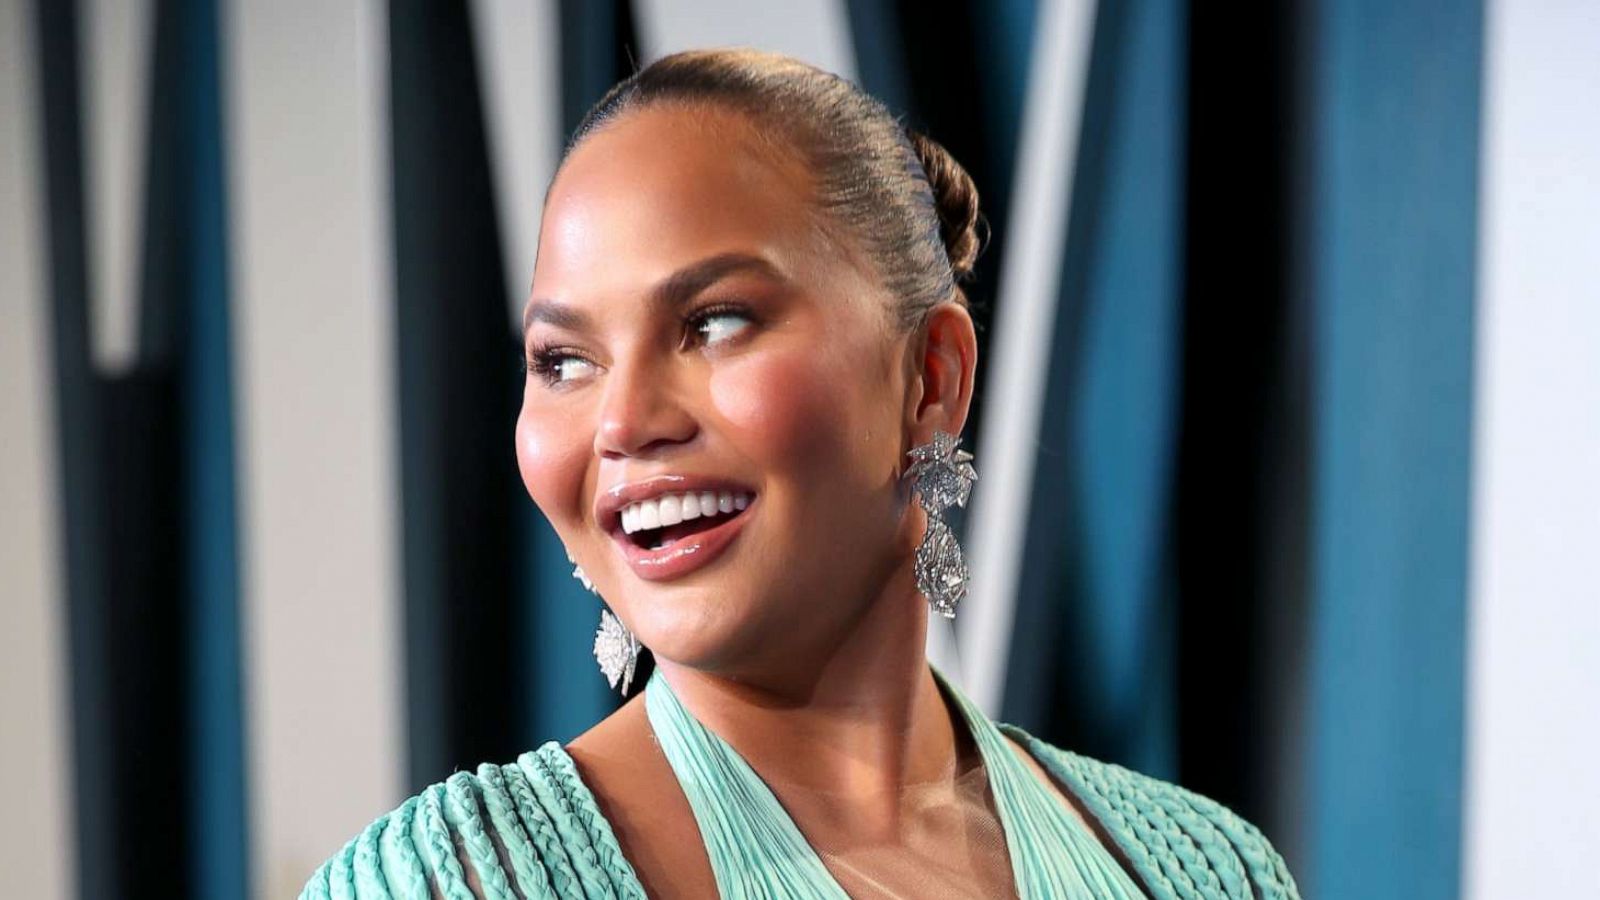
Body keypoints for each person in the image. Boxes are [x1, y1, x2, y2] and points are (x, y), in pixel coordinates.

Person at [301, 49, 1299, 900]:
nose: (624, 421)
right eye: (564, 362)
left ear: (930, 378)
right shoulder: (456, 882)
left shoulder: (1201, 870)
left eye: (714, 324)